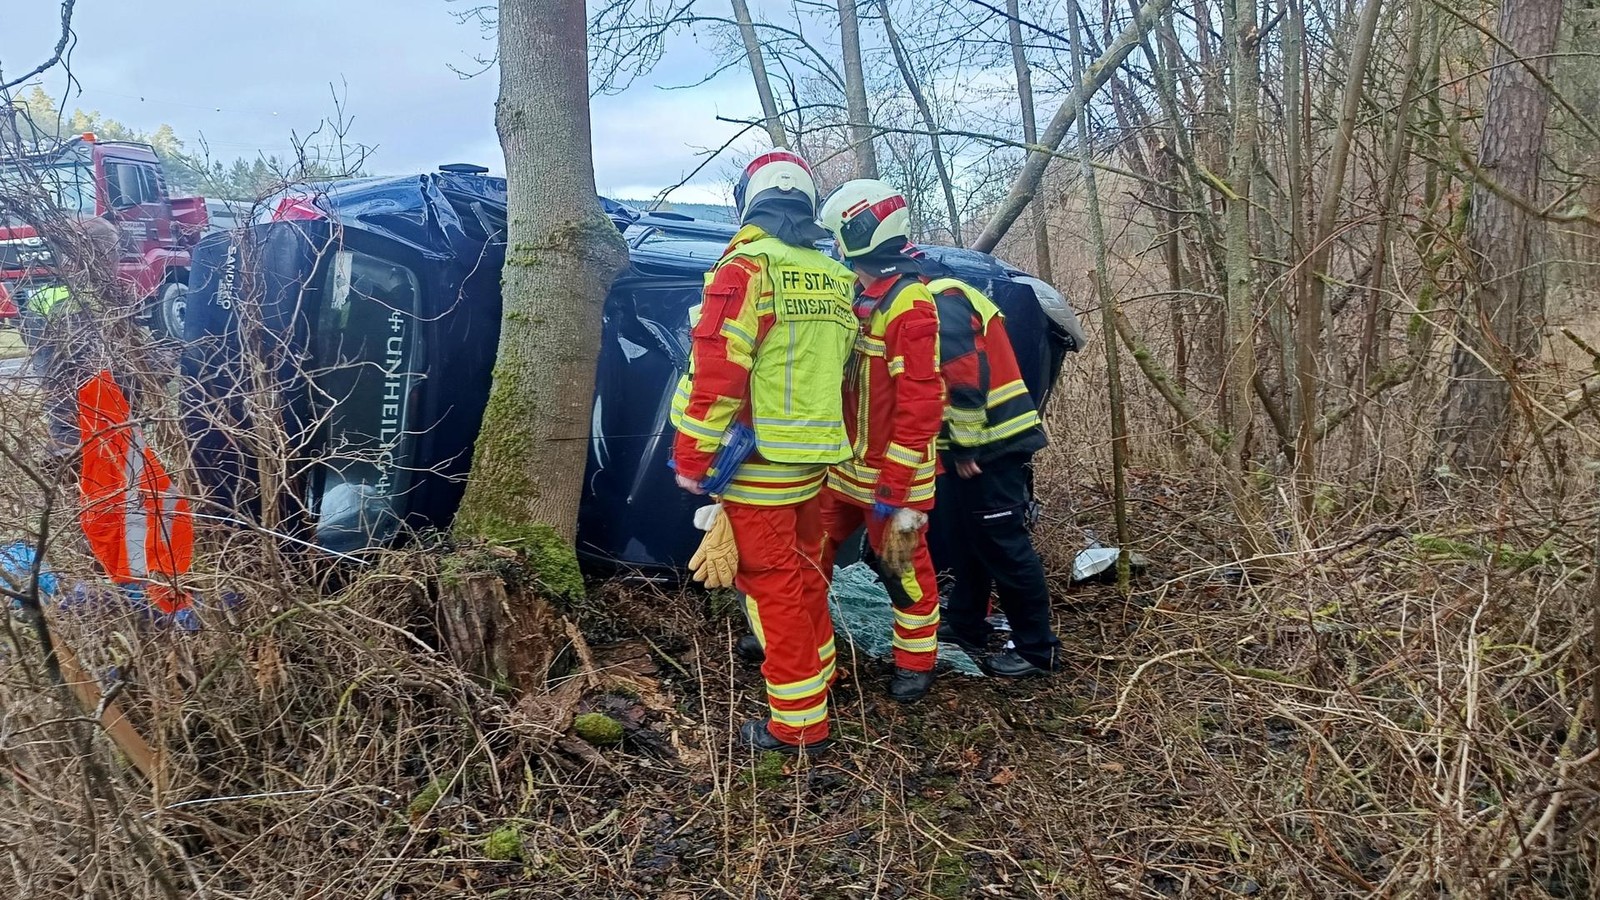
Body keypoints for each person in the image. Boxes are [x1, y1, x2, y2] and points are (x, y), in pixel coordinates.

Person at [671, 150, 857, 754]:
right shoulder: (832, 275)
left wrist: (693, 457)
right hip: (813, 455)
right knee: (803, 569)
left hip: (758, 460)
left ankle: (800, 721)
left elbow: (717, 371)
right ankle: (821, 673)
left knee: (770, 581)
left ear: (747, 201)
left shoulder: (746, 268)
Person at [815, 179, 945, 704]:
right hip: (844, 469)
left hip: (898, 480)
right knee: (810, 553)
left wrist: (894, 483)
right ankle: (801, 644)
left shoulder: (910, 305)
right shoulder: (860, 293)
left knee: (902, 569)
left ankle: (917, 663)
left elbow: (920, 404)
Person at [912, 245, 1063, 677]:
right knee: (966, 540)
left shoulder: (943, 300)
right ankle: (966, 625)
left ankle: (1037, 650)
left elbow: (965, 379)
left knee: (1004, 547)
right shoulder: (945, 295)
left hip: (989, 447)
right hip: (979, 445)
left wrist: (964, 446)